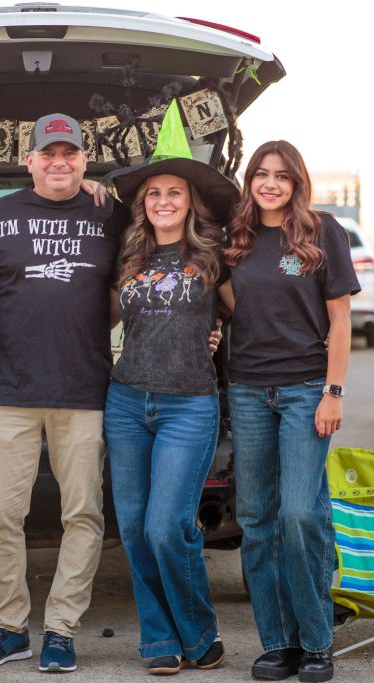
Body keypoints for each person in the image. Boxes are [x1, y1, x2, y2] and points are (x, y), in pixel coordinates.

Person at [0, 113, 126, 673]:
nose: (60, 162)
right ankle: (9, 628)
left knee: (83, 514)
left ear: (85, 160)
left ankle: (61, 628)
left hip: (84, 389)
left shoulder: (110, 212)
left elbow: (123, 288)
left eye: (71, 153)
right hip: (9, 390)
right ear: (28, 160)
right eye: (48, 153)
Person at [101, 100, 236, 676]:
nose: (163, 201)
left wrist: (217, 335)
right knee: (133, 528)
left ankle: (199, 632)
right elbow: (100, 319)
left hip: (189, 406)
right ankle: (159, 640)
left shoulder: (213, 257)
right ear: (142, 204)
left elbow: (247, 318)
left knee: (167, 526)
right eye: (153, 193)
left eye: (174, 193)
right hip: (127, 401)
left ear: (190, 201)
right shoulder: (127, 258)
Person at [218, 140, 360, 683]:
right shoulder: (238, 237)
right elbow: (236, 306)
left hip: (306, 390)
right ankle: (278, 644)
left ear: (297, 181)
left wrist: (334, 391)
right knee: (255, 521)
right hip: (250, 391)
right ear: (250, 180)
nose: (270, 183)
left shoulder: (323, 232)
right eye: (261, 174)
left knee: (301, 514)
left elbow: (340, 322)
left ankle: (317, 642)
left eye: (281, 175)